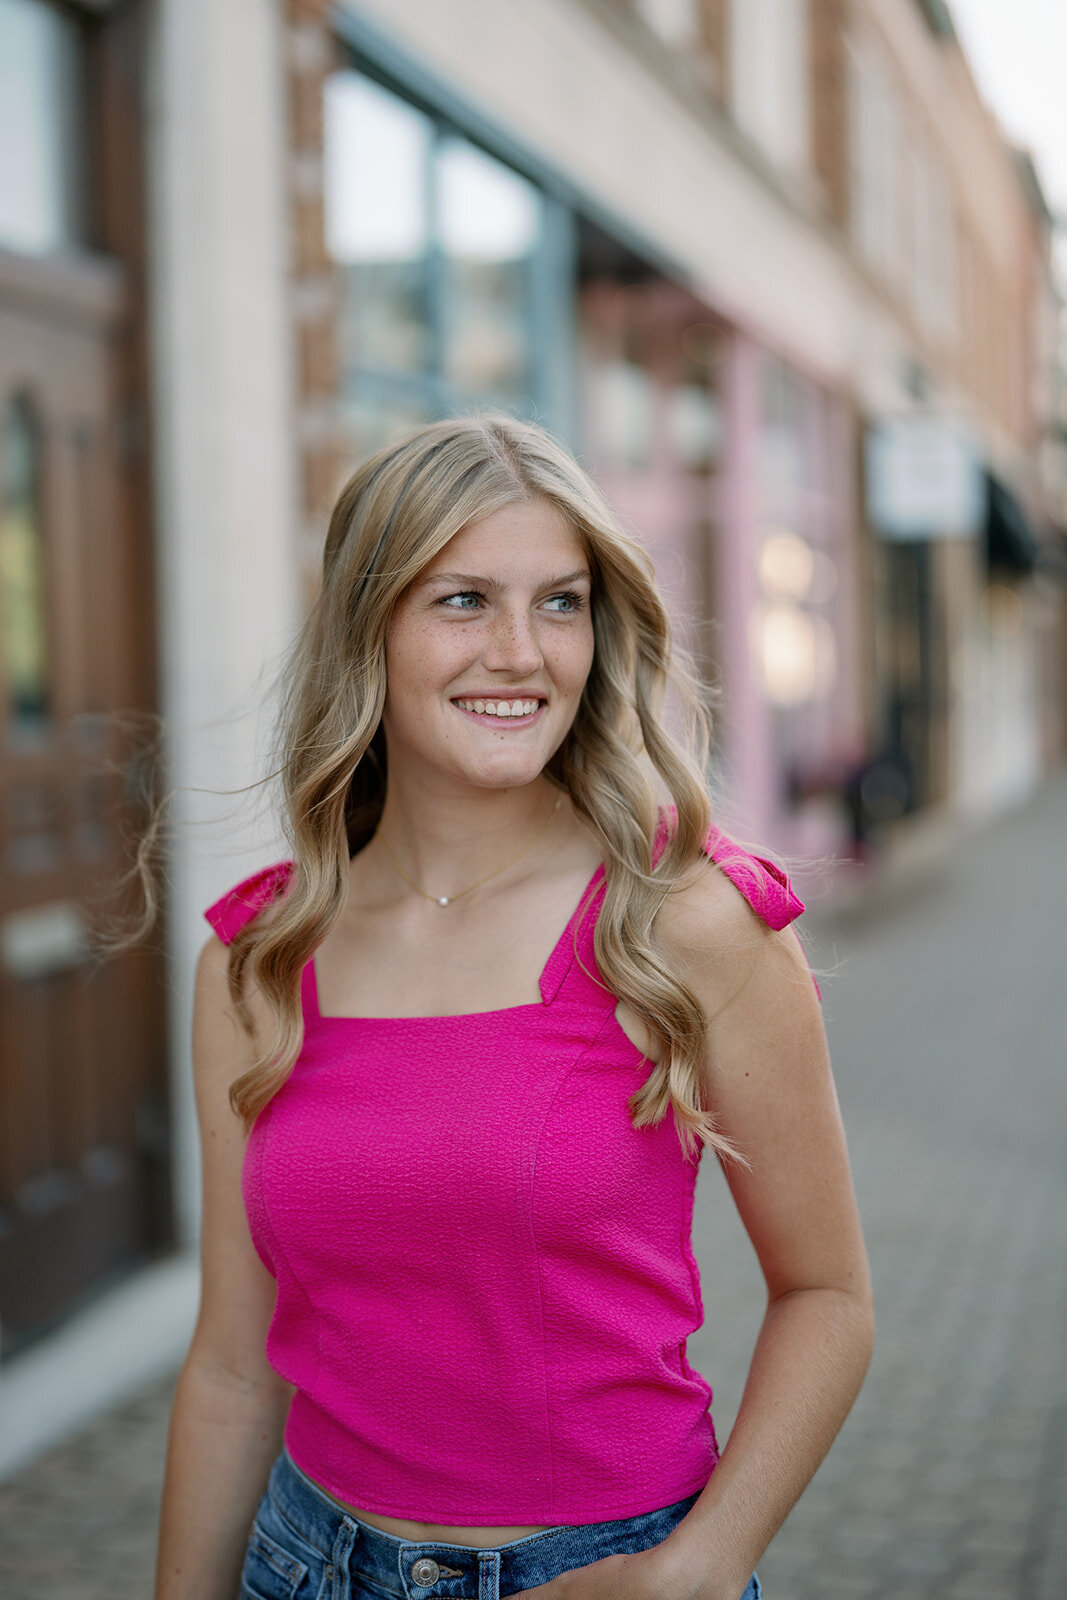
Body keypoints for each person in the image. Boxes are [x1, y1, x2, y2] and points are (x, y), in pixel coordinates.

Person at [153, 412, 873, 1600]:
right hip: (305, 1562)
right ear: (367, 628)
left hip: (602, 1573)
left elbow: (827, 1296)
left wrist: (695, 1569)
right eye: (462, 601)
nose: (520, 652)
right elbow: (235, 1363)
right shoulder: (259, 958)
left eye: (558, 603)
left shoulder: (685, 921)